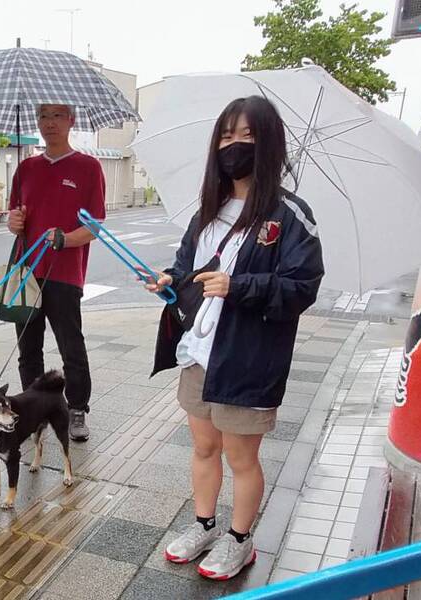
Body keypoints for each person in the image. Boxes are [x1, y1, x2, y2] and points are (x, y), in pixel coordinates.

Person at [146, 96, 323, 580]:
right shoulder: (208, 210)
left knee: (242, 457)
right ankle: (204, 524)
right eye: (226, 136)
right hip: (199, 353)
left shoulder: (290, 214)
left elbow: (302, 287)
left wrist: (239, 286)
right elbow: (189, 266)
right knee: (203, 447)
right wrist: (169, 279)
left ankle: (240, 540)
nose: (234, 146)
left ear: (270, 144)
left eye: (247, 135)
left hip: (249, 358)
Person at [7, 104, 106, 441]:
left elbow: (94, 227)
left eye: (58, 115)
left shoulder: (89, 167)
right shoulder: (25, 168)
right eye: (44, 116)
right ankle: (33, 409)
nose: (49, 123)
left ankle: (76, 410)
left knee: (71, 347)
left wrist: (66, 239)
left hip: (65, 274)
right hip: (26, 273)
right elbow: (15, 220)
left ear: (71, 121)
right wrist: (13, 222)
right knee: (28, 349)